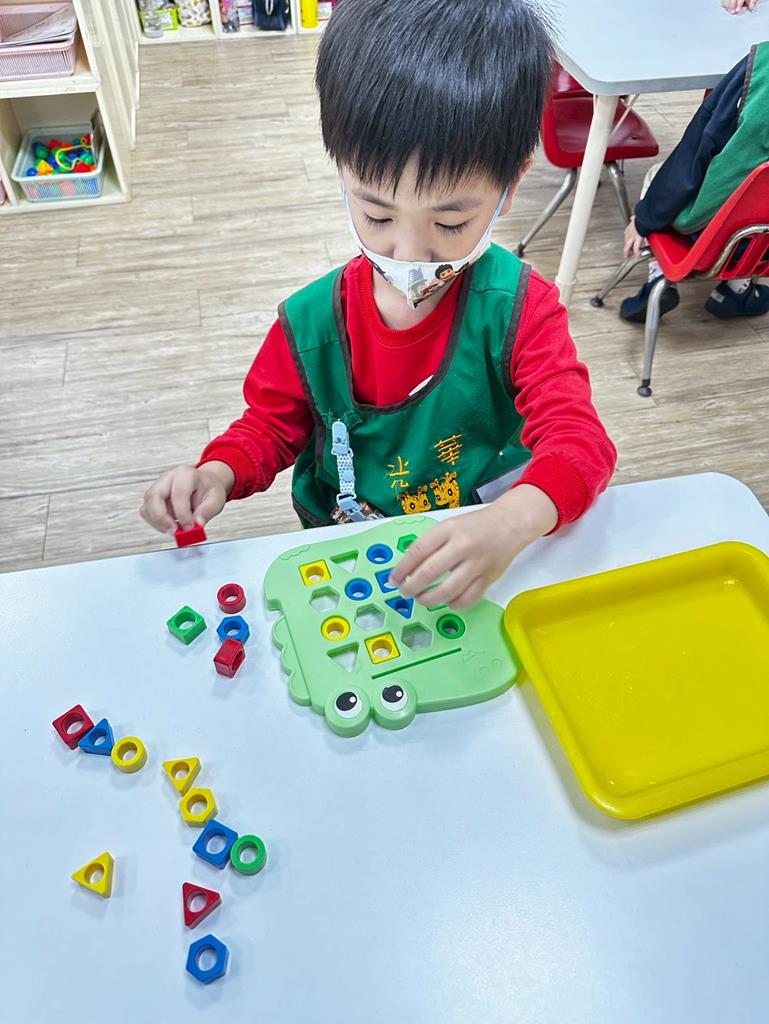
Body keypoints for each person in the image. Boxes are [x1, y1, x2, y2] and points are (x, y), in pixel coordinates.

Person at [140, 0, 616, 610]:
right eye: (377, 215)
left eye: (451, 222)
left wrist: (512, 520)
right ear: (343, 175)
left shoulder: (520, 309)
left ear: (510, 185)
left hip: (474, 550)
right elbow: (270, 426)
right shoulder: (311, 324)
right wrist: (216, 474)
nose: (409, 253)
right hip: (350, 555)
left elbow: (580, 442)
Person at [621, 40, 769, 322]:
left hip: (712, 237)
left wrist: (644, 218)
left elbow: (697, 149)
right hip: (763, 245)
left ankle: (658, 277)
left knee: (659, 175)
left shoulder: (762, 63)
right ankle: (736, 291)